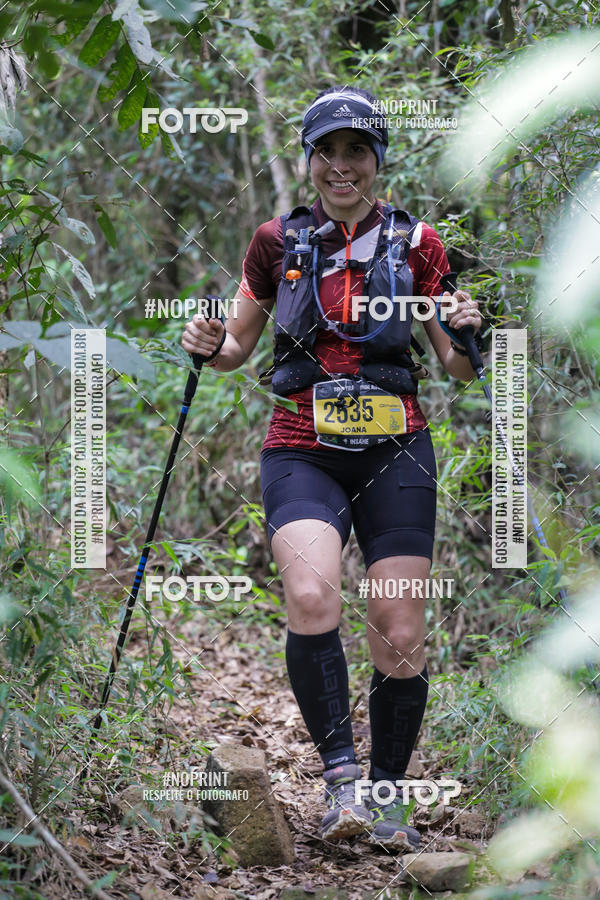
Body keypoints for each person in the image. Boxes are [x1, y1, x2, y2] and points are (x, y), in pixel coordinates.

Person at [182, 86, 482, 850]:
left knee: (400, 628)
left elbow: (456, 369)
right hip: (301, 443)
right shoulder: (276, 241)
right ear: (311, 159)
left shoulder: (419, 245)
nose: (340, 166)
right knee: (313, 594)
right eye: (327, 151)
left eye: (356, 151)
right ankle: (341, 781)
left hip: (396, 447)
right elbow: (237, 352)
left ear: (378, 159)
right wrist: (207, 341)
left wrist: (466, 328)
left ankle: (387, 796)